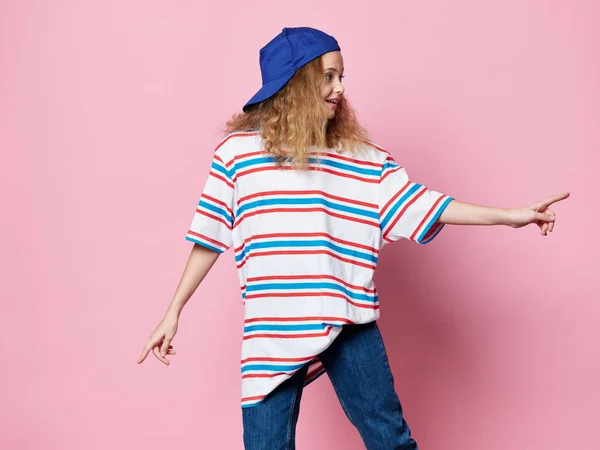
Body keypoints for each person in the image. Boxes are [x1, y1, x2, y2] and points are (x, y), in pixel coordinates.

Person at [137, 27, 569, 449]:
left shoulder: (362, 159)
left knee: (390, 440)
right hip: (272, 330)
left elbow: (425, 205)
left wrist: (510, 217)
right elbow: (209, 238)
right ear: (297, 81)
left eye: (342, 76)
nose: (339, 88)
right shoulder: (236, 156)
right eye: (328, 76)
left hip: (347, 320)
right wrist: (173, 312)